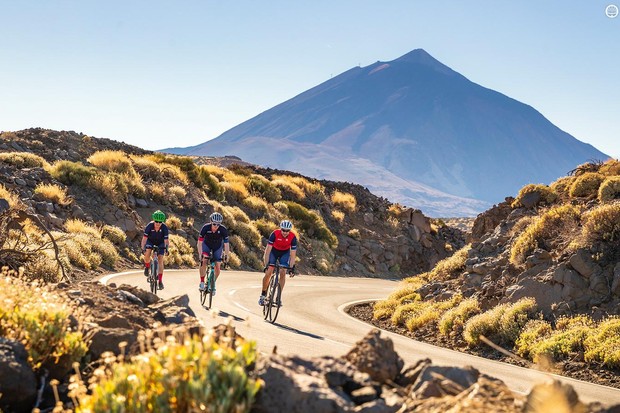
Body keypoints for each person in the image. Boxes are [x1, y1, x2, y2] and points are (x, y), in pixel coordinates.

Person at [259, 219, 297, 306]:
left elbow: (293, 255)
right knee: (269, 272)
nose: (285, 232)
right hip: (273, 252)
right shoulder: (275, 234)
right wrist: (266, 265)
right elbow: (267, 251)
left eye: (287, 231)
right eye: (283, 230)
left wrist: (292, 268)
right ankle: (263, 295)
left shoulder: (293, 237)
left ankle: (278, 297)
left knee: (283, 272)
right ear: (280, 229)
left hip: (285, 253)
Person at [197, 212, 230, 294]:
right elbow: (199, 243)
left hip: (217, 246)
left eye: (218, 224)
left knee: (218, 269)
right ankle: (201, 282)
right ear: (211, 222)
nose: (216, 226)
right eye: (214, 224)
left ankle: (212, 283)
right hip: (206, 244)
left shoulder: (223, 230)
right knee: (204, 260)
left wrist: (226, 256)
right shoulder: (205, 228)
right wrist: (200, 254)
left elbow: (226, 245)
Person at [141, 210, 169, 290]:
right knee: (147, 252)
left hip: (160, 243)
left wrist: (166, 249)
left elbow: (166, 241)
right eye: (156, 221)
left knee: (160, 259)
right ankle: (147, 266)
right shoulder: (149, 226)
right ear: (154, 220)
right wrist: (143, 248)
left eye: (160, 222)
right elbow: (144, 239)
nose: (158, 223)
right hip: (150, 241)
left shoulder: (164, 228)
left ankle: (160, 281)